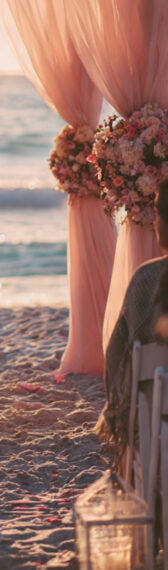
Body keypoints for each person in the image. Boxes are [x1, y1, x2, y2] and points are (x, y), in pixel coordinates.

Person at [98, 178, 168, 460]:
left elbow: (119, 355)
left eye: (158, 212)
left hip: (158, 414)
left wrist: (115, 413)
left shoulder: (148, 279)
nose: (153, 221)